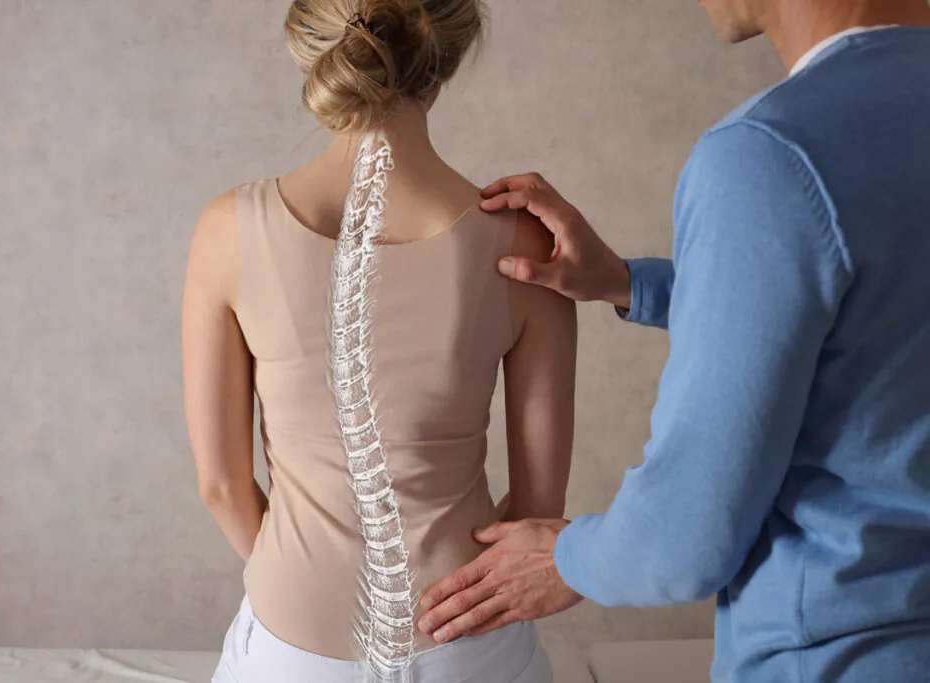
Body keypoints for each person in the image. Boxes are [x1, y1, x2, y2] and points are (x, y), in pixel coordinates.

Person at [416, 1, 930, 681]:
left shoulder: (771, 155)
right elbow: (881, 321)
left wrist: (568, 558)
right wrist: (631, 283)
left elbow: (684, 541)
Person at [181, 1, 576, 681]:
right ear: (446, 52)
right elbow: (540, 508)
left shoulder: (228, 230)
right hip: (463, 639)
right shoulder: (528, 241)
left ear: (318, 45)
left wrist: (298, 575)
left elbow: (221, 484)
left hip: (289, 646)